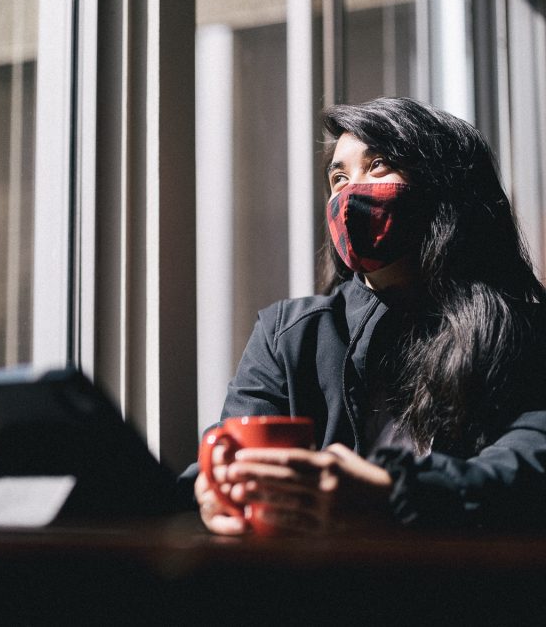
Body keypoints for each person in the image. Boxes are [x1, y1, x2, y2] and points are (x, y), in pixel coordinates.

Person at [193, 97, 546, 535]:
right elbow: (227, 454)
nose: (349, 194)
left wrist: (390, 491)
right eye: (339, 177)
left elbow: (528, 468)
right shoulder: (288, 335)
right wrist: (211, 490)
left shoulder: (528, 333)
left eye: (378, 165)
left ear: (444, 187)